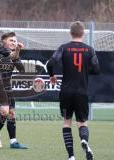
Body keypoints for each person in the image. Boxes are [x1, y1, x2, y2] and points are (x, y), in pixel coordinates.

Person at [47, 21, 100, 160]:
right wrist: (84, 71)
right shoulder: (89, 50)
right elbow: (96, 68)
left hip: (65, 92)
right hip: (81, 92)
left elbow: (51, 63)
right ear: (83, 33)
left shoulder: (64, 48)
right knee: (82, 123)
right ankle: (84, 140)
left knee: (66, 122)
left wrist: (51, 76)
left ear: (70, 33)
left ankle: (71, 156)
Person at [0, 32, 27, 149]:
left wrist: (17, 53)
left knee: (10, 114)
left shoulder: (14, 54)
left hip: (7, 88)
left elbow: (22, 70)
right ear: (4, 42)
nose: (14, 42)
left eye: (15, 41)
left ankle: (12, 141)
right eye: (11, 40)